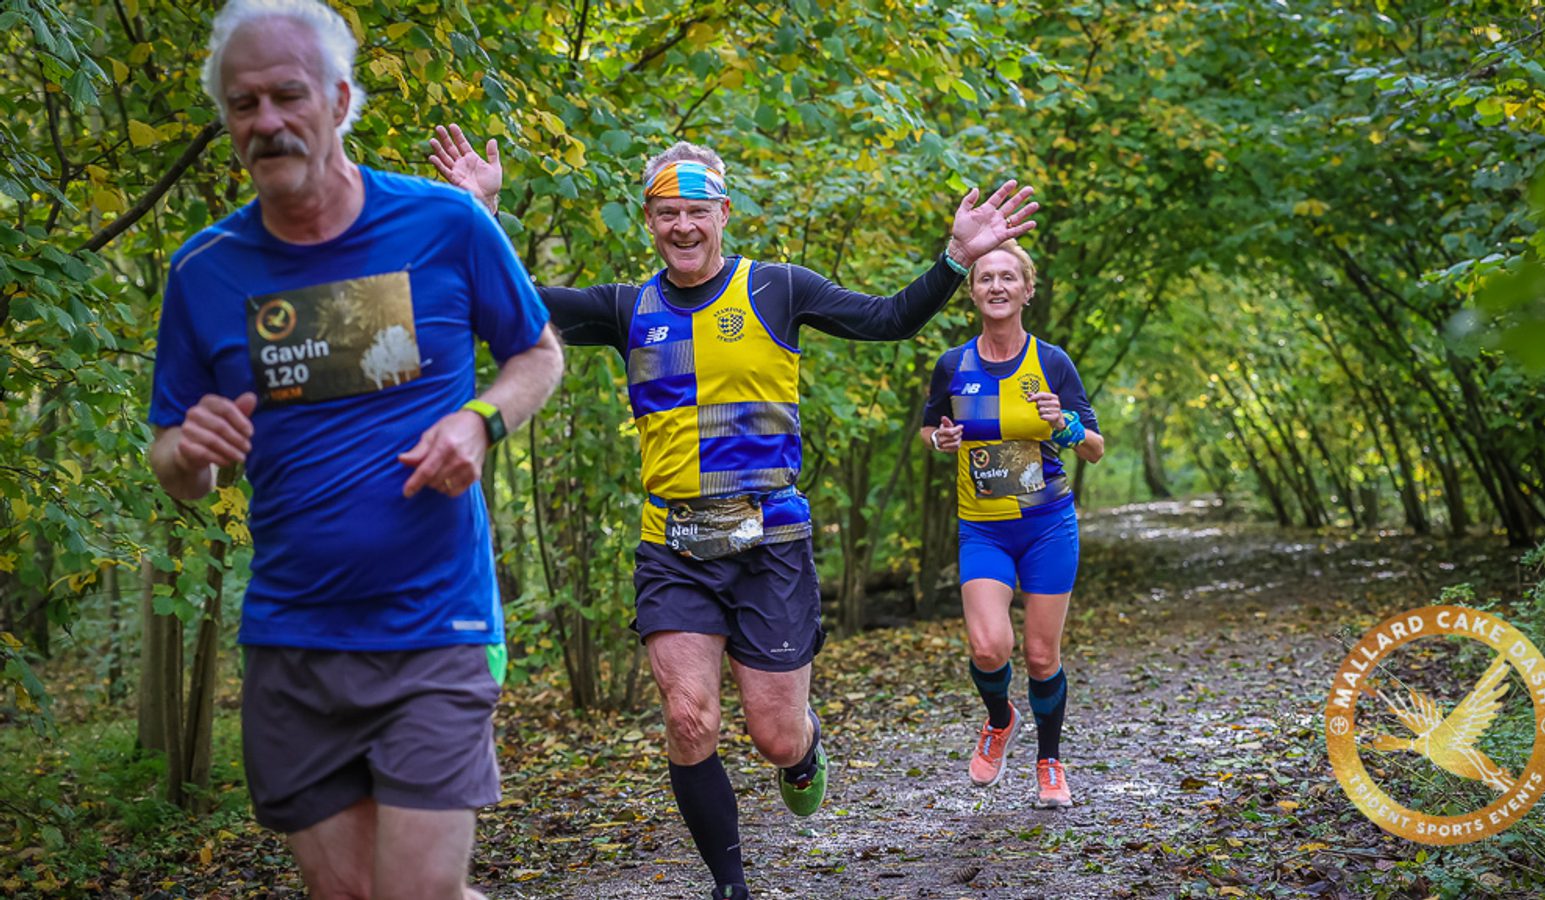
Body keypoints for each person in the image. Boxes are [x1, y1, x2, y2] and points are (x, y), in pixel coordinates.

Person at [430, 128, 1037, 899]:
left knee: (774, 733)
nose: (681, 225)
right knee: (688, 719)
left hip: (769, 542)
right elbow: (509, 297)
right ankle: (731, 885)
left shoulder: (777, 289)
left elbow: (887, 319)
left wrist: (956, 259)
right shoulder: (628, 308)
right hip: (673, 544)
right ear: (648, 221)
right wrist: (480, 209)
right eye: (665, 212)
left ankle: (805, 752)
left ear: (723, 214)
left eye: (696, 210)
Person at [146, 3, 563, 898]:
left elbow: (539, 354)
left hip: (433, 627)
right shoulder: (204, 271)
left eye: (286, 96)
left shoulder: (446, 225)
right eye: (241, 103)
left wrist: (479, 422)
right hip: (292, 643)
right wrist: (193, 452)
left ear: (339, 100)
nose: (264, 122)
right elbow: (174, 459)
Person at [921, 240, 1103, 809]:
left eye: (1007, 278)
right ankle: (1000, 720)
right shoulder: (953, 365)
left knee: (1041, 656)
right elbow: (931, 431)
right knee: (988, 647)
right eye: (984, 278)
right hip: (984, 528)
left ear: (1027, 289)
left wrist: (1065, 424)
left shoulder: (1051, 362)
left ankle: (1050, 762)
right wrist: (941, 440)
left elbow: (1095, 447)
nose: (996, 287)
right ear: (972, 292)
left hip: (1047, 526)